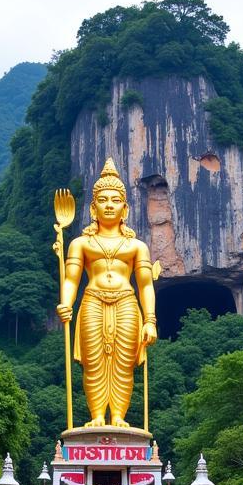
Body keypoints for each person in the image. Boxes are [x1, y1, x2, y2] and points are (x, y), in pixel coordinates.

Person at [56, 159, 158, 428]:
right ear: (93, 207)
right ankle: (98, 416)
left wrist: (150, 320)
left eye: (115, 200)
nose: (109, 205)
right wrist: (65, 303)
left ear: (125, 208)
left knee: (123, 365)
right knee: (94, 364)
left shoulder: (137, 246)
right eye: (103, 200)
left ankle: (119, 417)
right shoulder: (80, 243)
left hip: (126, 303)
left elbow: (146, 284)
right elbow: (71, 280)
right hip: (92, 302)